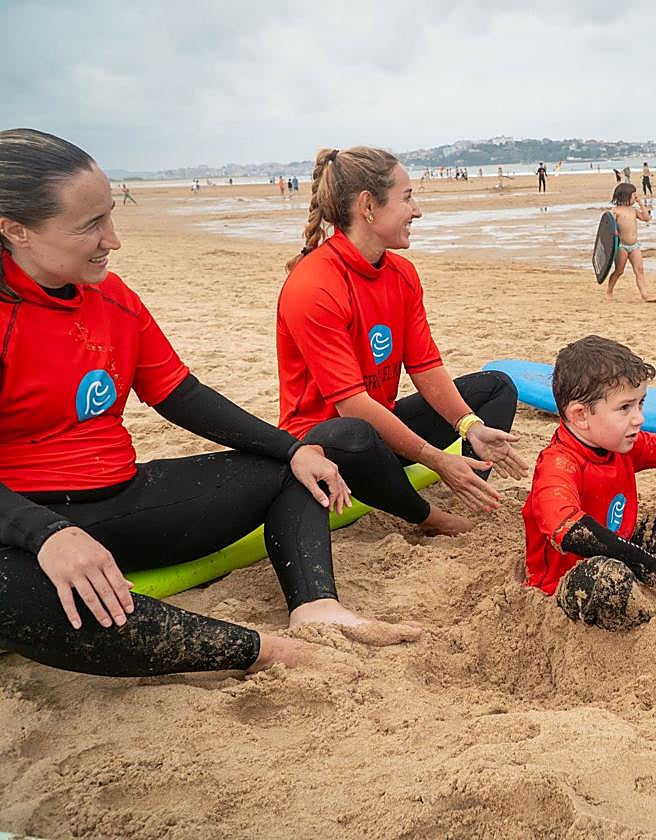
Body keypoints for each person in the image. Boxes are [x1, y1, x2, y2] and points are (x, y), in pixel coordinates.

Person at [0, 129, 420, 679]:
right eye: (90, 226)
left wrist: (291, 449)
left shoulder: (113, 298)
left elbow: (180, 395)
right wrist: (46, 534)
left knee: (295, 468)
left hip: (119, 500)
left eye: (110, 216)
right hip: (20, 522)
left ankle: (317, 608)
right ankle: (263, 651)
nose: (113, 240)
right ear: (16, 229)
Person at [278, 146, 527, 537]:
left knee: (496, 386)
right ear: (368, 206)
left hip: (383, 432)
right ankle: (428, 517)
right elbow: (352, 405)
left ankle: (469, 483)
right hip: (327, 448)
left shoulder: (402, 274)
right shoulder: (314, 285)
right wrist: (434, 459)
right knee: (356, 432)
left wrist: (469, 426)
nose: (417, 211)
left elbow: (425, 366)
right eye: (407, 198)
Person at [521, 336, 656, 630]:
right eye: (625, 408)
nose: (639, 418)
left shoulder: (620, 443)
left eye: (640, 403)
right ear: (581, 415)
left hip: (627, 552)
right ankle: (648, 625)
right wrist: (649, 569)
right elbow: (571, 532)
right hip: (568, 582)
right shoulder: (558, 464)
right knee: (609, 577)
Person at [605, 183, 655, 303]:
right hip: (621, 246)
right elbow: (608, 229)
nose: (636, 197)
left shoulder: (633, 210)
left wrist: (641, 203)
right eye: (634, 196)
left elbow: (646, 218)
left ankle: (645, 295)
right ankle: (609, 291)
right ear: (625, 196)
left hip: (634, 246)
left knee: (639, 270)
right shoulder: (615, 211)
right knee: (619, 271)